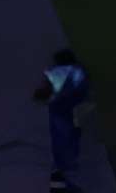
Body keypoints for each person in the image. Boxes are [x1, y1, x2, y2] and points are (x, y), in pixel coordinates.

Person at [36, 48, 90, 188]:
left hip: (59, 113)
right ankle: (70, 167)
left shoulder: (55, 74)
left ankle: (62, 175)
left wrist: (41, 94)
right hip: (77, 111)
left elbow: (42, 94)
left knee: (60, 141)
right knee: (74, 137)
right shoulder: (80, 72)